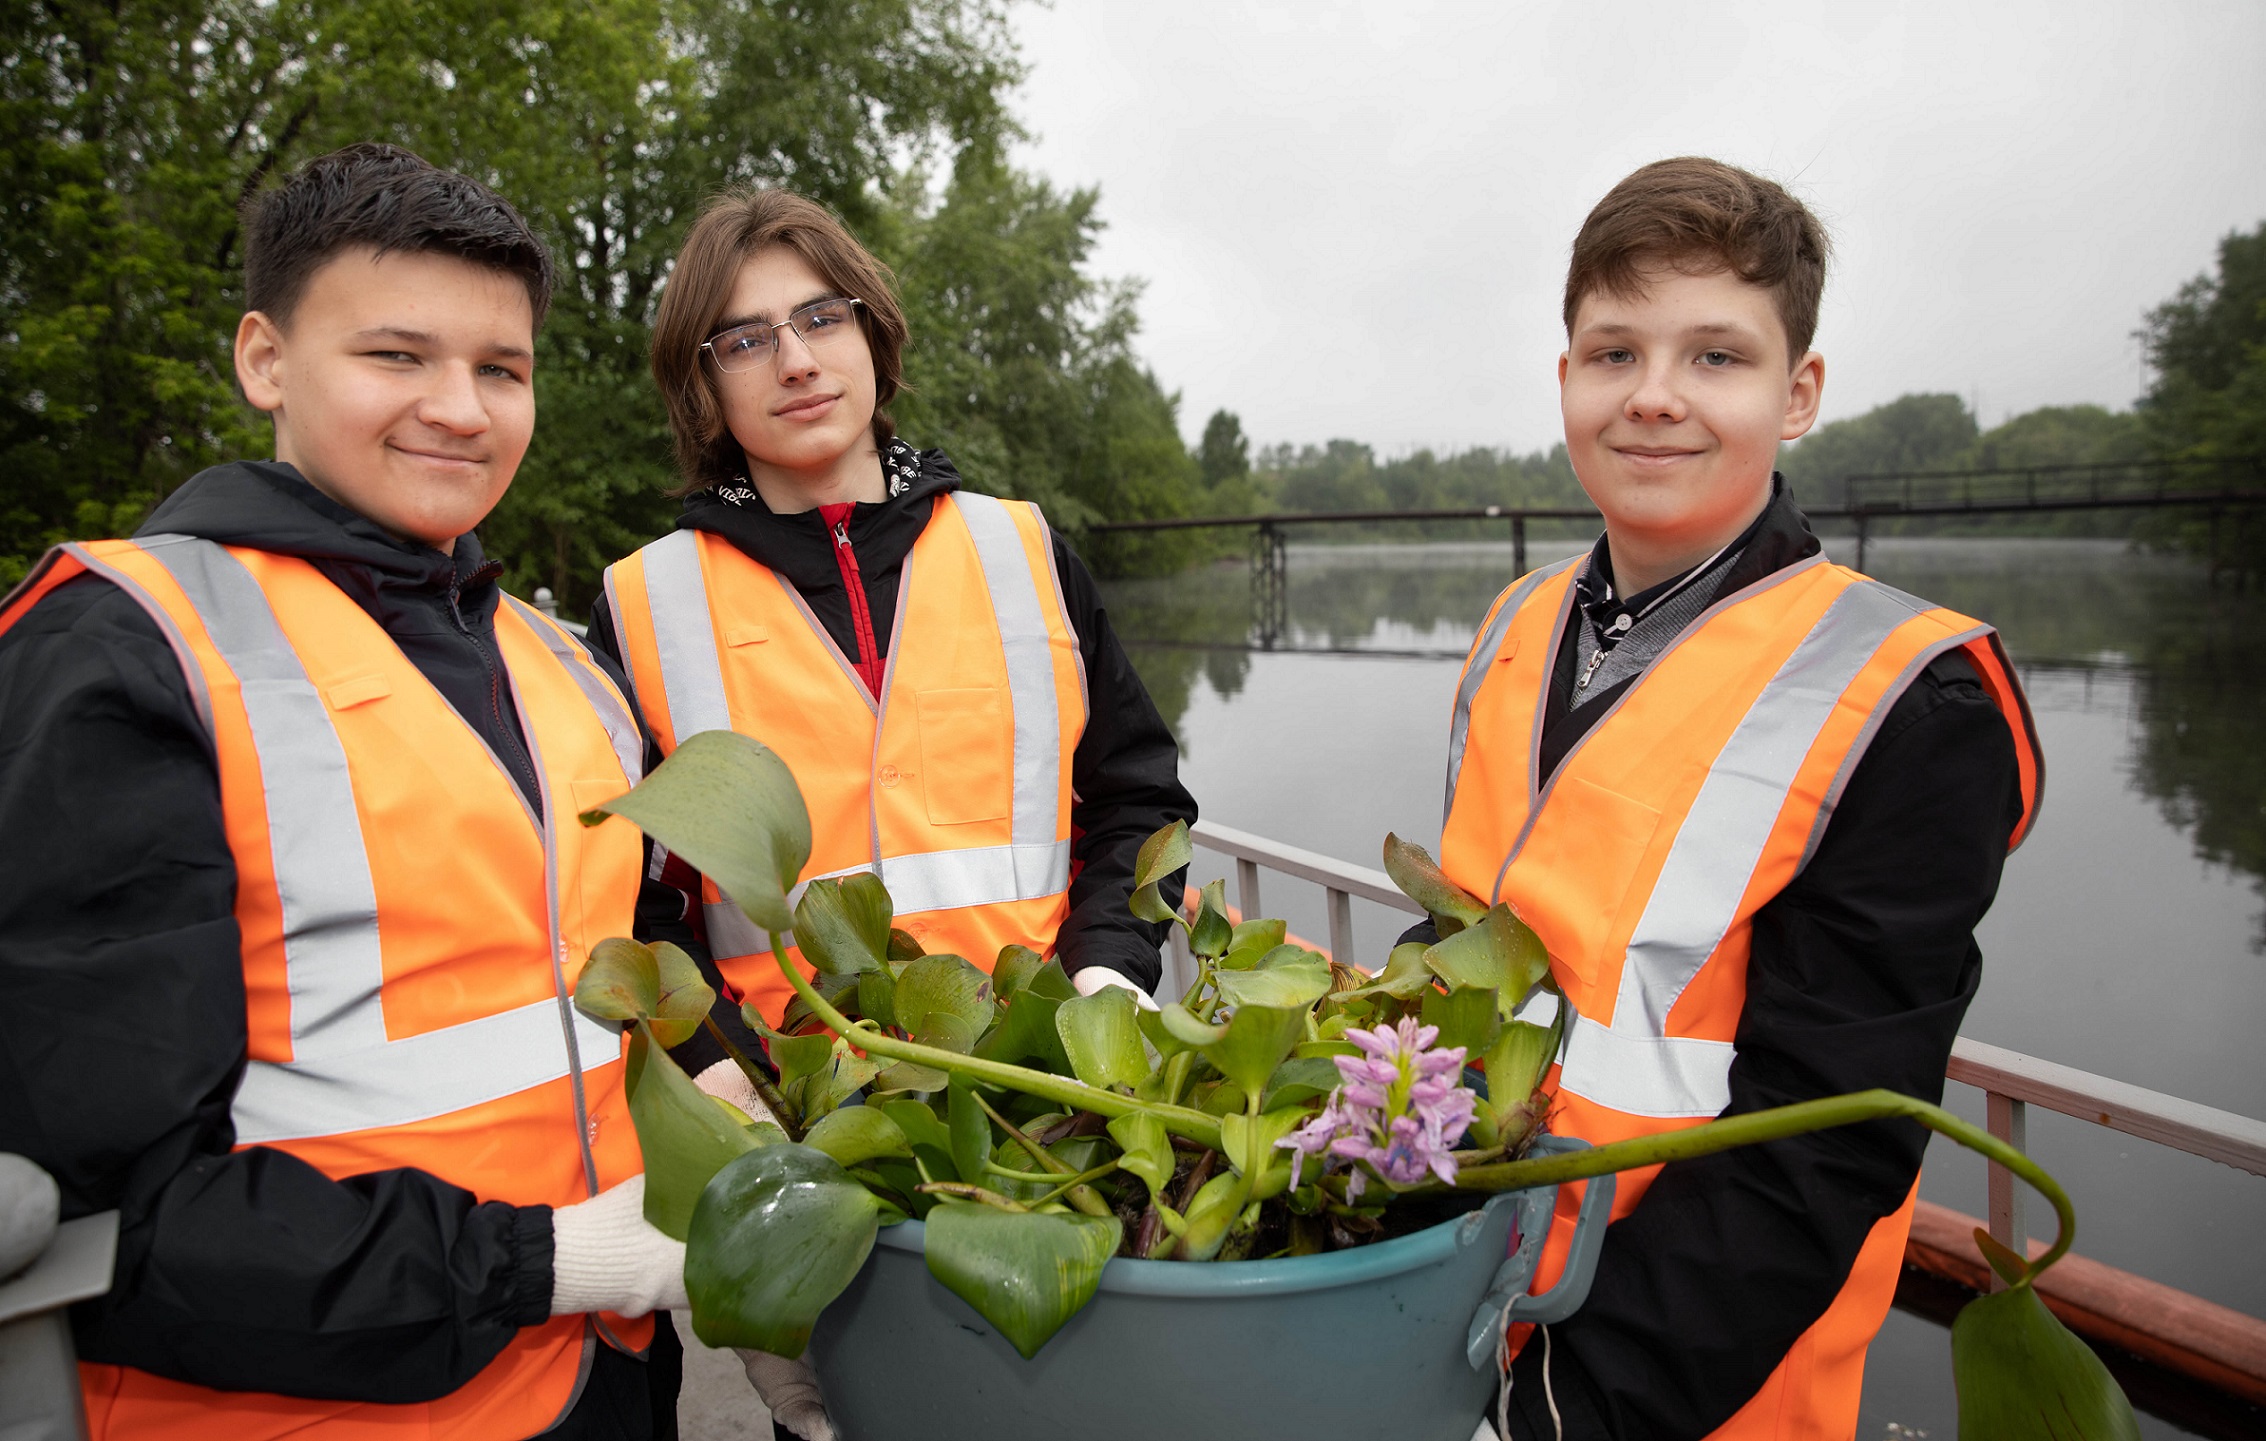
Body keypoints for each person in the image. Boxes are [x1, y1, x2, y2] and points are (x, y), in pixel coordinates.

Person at [0, 144, 697, 1438]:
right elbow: (114, 1210)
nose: (461, 408)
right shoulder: (121, 648)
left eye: (502, 369)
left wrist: (735, 1128)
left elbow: (595, 984)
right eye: (396, 356)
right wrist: (545, 1261)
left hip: (604, 1375)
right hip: (311, 1409)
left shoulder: (559, 661)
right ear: (265, 360)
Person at [1432, 158, 2043, 1440]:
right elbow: (1451, 960)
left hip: (1670, 1395)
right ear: (1564, 383)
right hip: (1444, 1319)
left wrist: (1556, 1411)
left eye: (1715, 356)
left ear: (1798, 391)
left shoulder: (1912, 695)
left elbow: (1821, 1147)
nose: (1653, 398)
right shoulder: (1513, 624)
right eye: (1614, 353)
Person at [592, 188, 1193, 1038]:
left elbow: (1137, 799)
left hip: (1048, 1081)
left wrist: (1108, 972)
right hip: (787, 1116)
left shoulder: (1022, 549)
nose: (796, 361)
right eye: (745, 340)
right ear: (704, 384)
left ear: (873, 335)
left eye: (823, 318)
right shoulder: (644, 604)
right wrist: (726, 1068)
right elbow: (625, 901)